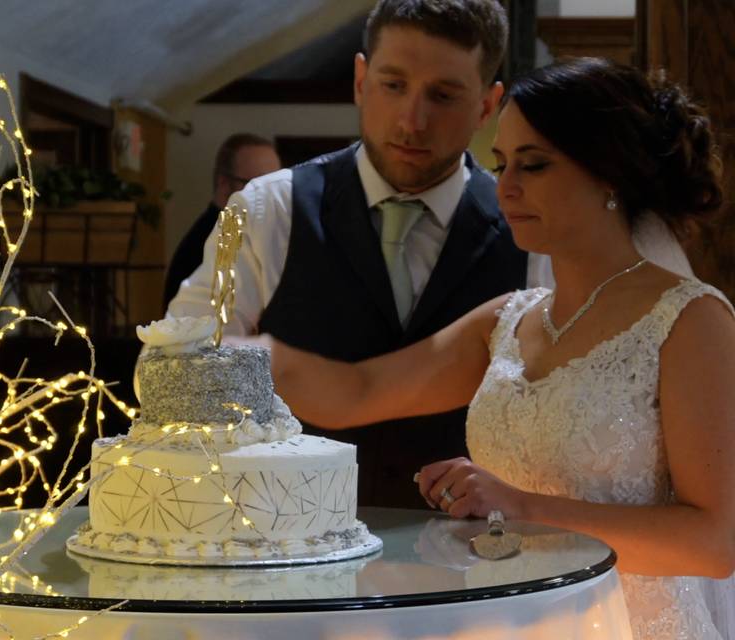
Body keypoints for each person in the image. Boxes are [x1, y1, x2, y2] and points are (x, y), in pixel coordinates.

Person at [269, 57, 734, 639]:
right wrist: (240, 356)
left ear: (609, 174)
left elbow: (713, 545)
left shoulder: (689, 319)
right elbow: (359, 390)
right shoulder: (506, 320)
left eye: (534, 165)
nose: (506, 187)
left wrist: (521, 507)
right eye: (501, 163)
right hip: (503, 622)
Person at [166, 0, 691, 509]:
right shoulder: (269, 208)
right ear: (360, 81)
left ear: (487, 104)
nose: (412, 120)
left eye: (443, 95)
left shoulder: (539, 234)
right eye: (394, 86)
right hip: (286, 546)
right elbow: (185, 366)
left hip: (478, 569)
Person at [163, 133, 280, 306]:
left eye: (278, 186)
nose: (273, 197)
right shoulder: (210, 244)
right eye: (260, 186)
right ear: (224, 185)